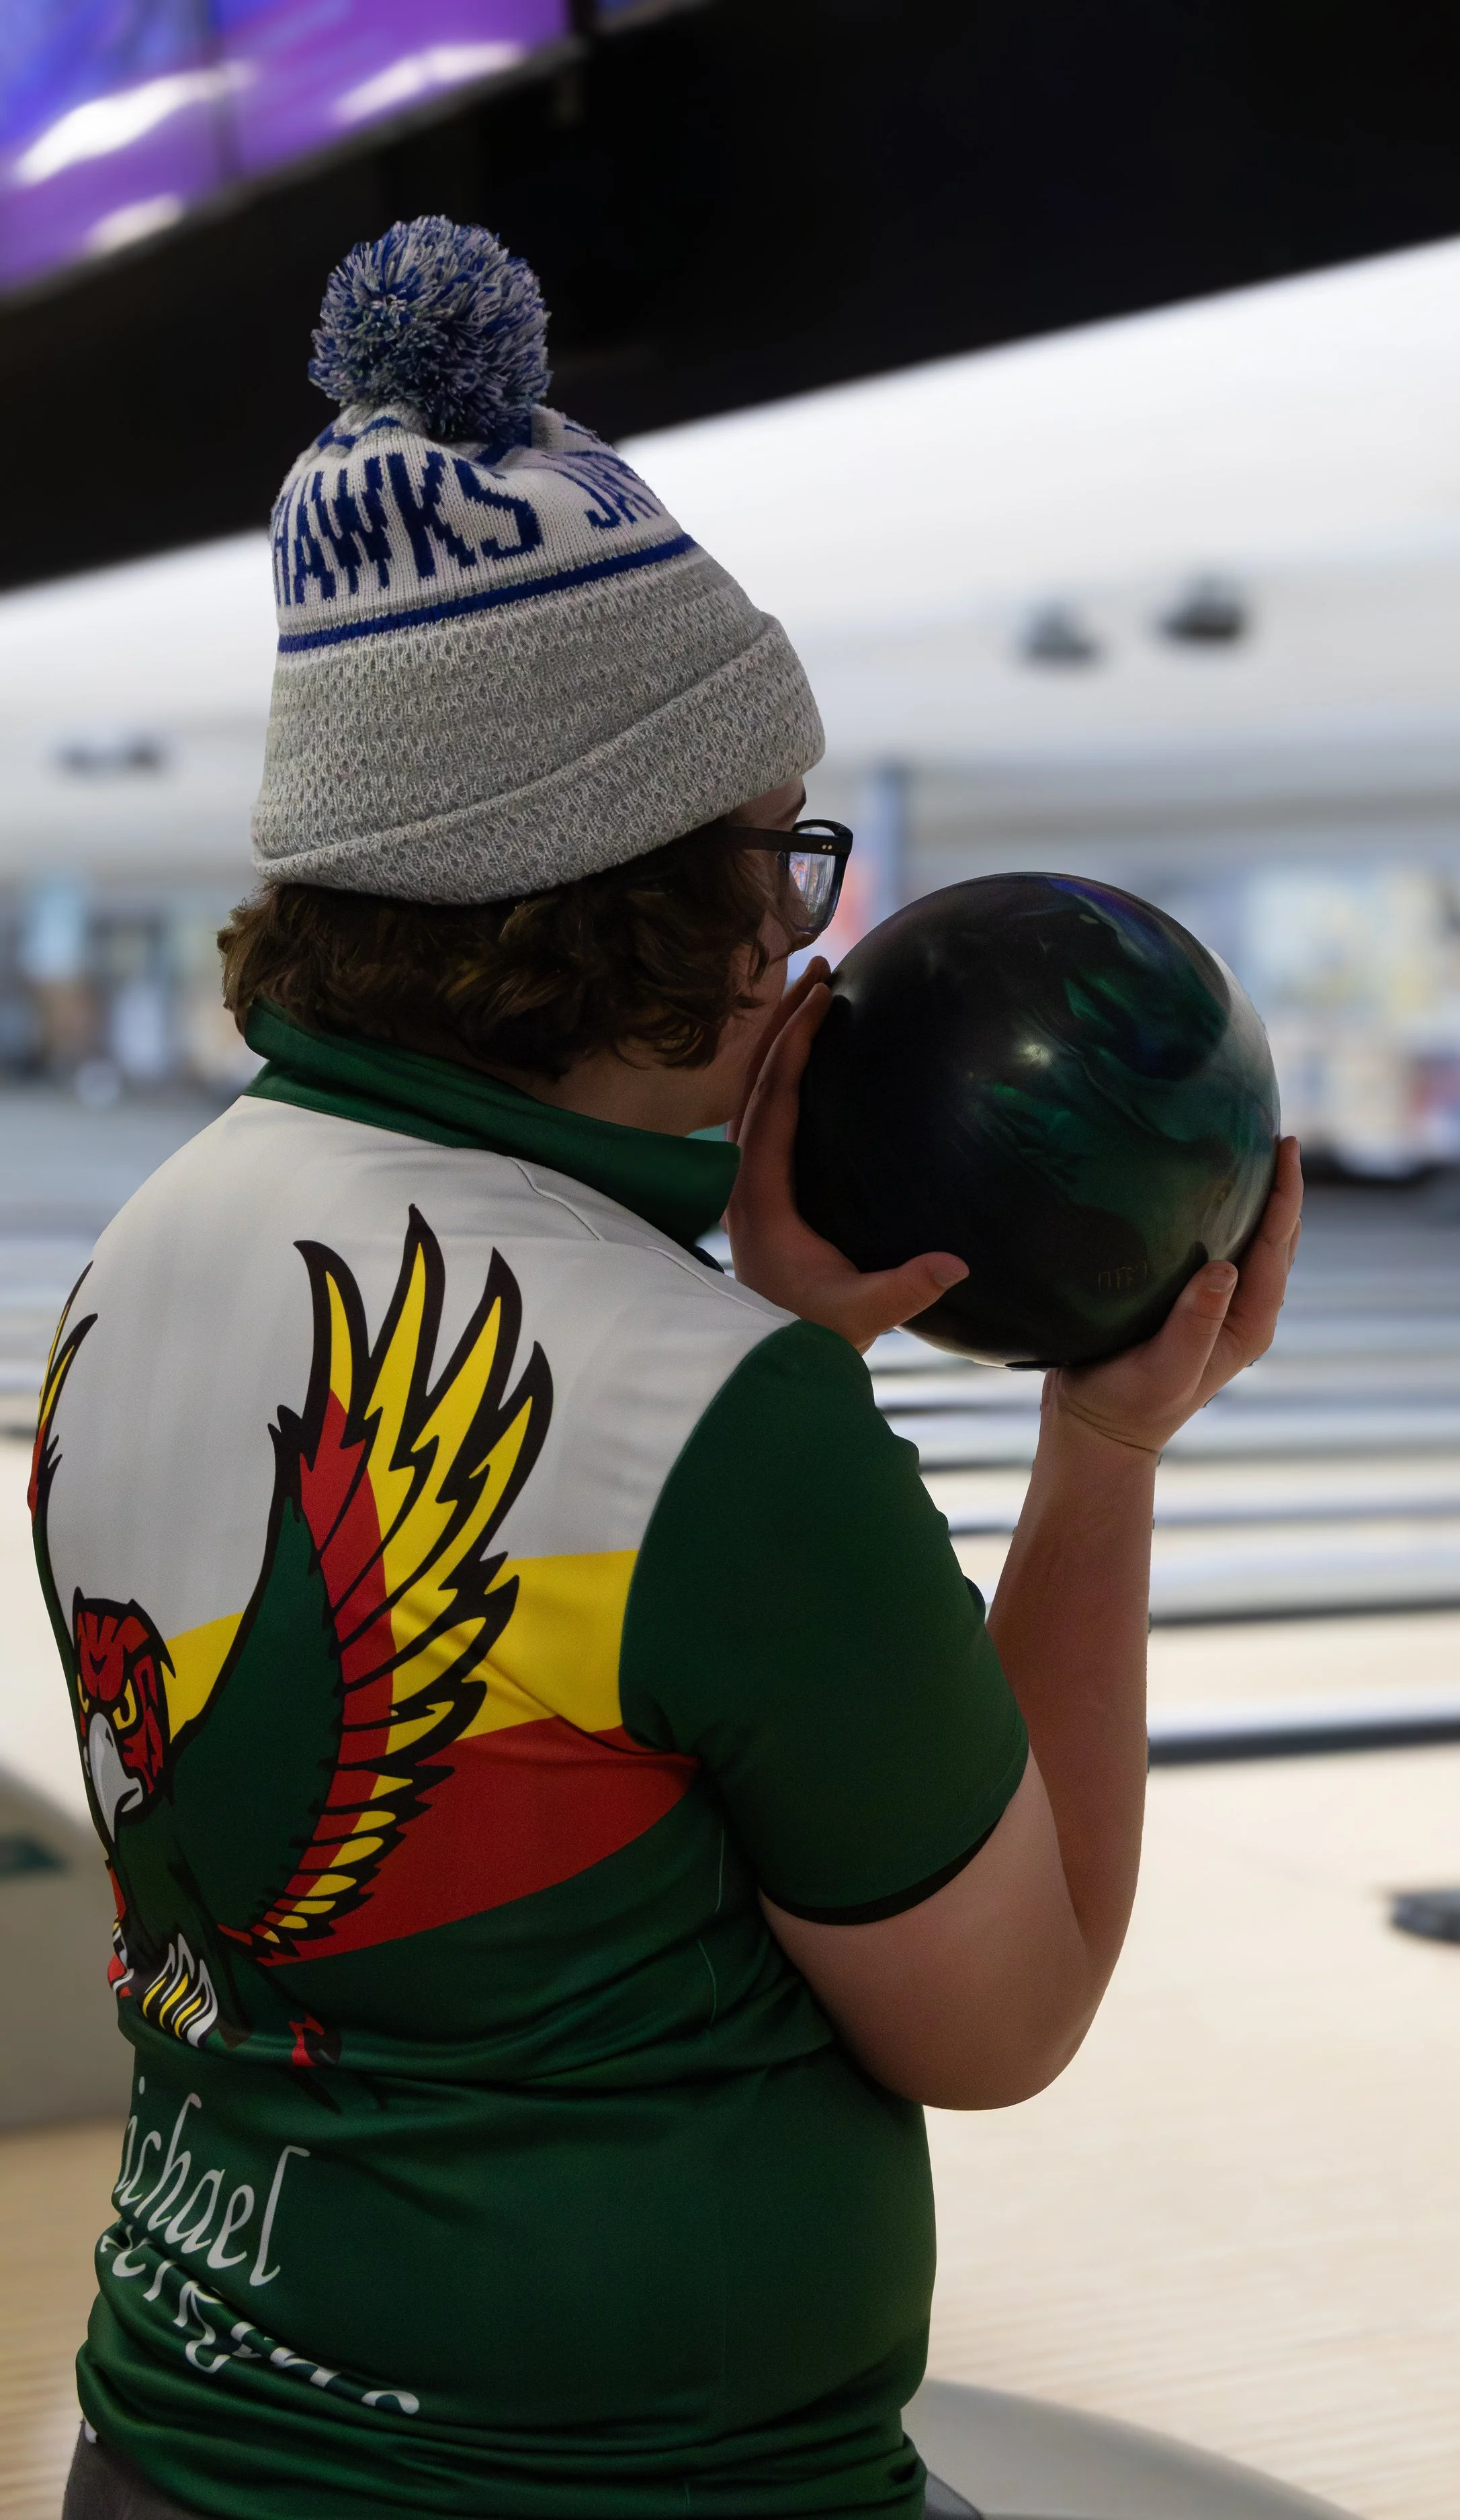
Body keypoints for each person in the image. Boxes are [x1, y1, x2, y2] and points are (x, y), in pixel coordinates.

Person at [40, 220, 1302, 2520]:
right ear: (643, 900)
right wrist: (1102, 1448)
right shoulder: (718, 1434)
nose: (804, 925)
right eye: (774, 858)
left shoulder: (139, 1255)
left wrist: (745, 1314)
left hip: (175, 2447)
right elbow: (1001, 2019)